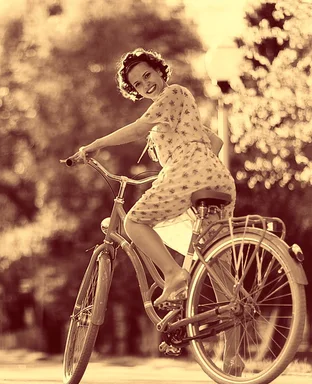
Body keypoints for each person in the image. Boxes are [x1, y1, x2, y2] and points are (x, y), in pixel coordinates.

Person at [71, 48, 237, 308]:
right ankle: (233, 348)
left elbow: (138, 128)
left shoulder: (173, 93)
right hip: (215, 176)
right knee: (217, 267)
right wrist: (196, 167)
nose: (146, 84)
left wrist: (97, 144)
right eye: (138, 83)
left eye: (148, 75)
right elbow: (215, 141)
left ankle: (173, 274)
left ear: (160, 71)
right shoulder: (180, 107)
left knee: (134, 222)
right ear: (134, 90)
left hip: (192, 171)